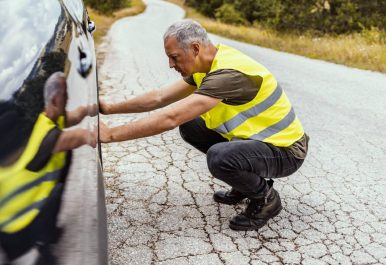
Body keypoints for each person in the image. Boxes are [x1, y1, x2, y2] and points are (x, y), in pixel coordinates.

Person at [100, 19, 309, 231]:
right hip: (260, 143)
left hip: (287, 151)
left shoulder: (228, 74)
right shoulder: (208, 63)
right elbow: (160, 97)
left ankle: (266, 199)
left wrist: (110, 135)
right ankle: (245, 185)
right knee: (191, 125)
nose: (171, 65)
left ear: (195, 48)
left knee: (219, 157)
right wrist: (110, 108)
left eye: (174, 57)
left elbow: (170, 118)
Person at [0, 72, 96, 263]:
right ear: (53, 100)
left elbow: (75, 115)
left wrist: (94, 107)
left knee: (65, 158)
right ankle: (39, 248)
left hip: (13, 220)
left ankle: (45, 235)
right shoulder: (49, 137)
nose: (68, 99)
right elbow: (88, 135)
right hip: (16, 228)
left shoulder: (49, 117)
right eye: (64, 96)